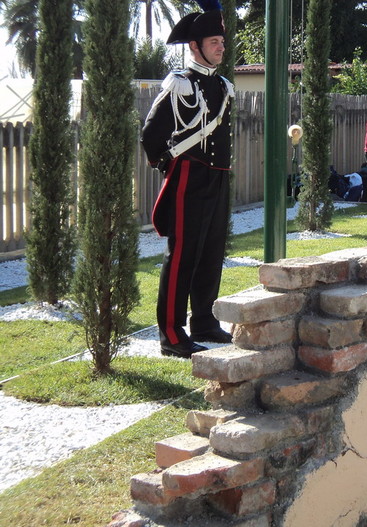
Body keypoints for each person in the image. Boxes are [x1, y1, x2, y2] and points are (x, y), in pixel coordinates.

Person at [141, 0, 234, 358]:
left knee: (211, 253)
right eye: (214, 42)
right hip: (188, 176)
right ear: (194, 46)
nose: (220, 48)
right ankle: (171, 333)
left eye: (222, 43)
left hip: (219, 177)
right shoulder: (180, 83)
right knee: (182, 254)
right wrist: (169, 165)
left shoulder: (224, 86)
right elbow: (151, 135)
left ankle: (205, 322)